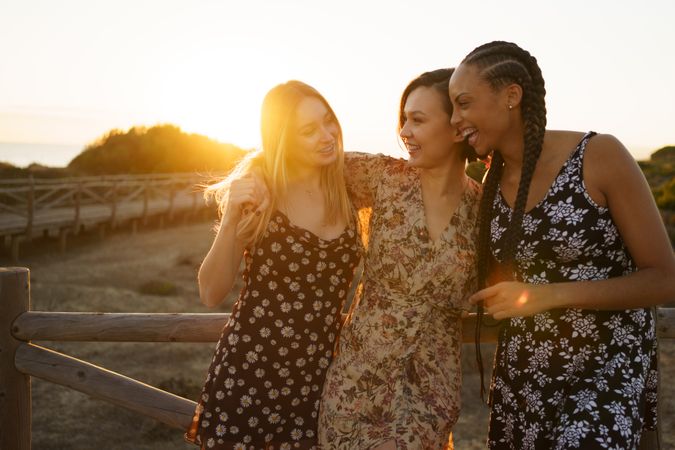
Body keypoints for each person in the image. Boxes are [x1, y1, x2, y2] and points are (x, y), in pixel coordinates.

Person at [448, 41, 675, 449]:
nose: (454, 119)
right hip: (525, 375)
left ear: (511, 96)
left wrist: (547, 296)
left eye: (463, 103)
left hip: (605, 367)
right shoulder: (491, 184)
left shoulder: (599, 155)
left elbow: (665, 278)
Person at [185, 80, 362, 449]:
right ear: (284, 140)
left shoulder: (350, 187)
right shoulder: (262, 190)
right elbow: (210, 292)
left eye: (328, 120)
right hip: (248, 375)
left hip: (316, 383)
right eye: (308, 131)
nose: (327, 135)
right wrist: (232, 215)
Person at [318, 69, 481, 450]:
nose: (404, 131)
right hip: (357, 382)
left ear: (458, 129)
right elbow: (301, 162)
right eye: (403, 119)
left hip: (431, 393)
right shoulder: (384, 176)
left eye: (418, 120)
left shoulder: (485, 208)